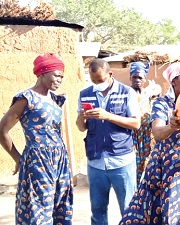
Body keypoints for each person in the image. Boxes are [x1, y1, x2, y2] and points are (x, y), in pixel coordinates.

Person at [119, 62, 180, 225]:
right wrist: (172, 126)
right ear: (174, 82)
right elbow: (157, 132)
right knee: (168, 208)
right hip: (167, 166)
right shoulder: (163, 104)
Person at [0, 53, 73, 224]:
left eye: (62, 76)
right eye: (56, 75)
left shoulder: (56, 100)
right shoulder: (26, 98)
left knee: (62, 205)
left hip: (60, 160)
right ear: (42, 73)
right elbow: (2, 130)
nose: (60, 79)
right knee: (38, 209)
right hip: (37, 161)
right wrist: (18, 158)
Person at [76, 59, 141, 225]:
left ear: (110, 74)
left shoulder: (127, 92)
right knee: (97, 211)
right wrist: (81, 117)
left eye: (101, 80)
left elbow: (136, 123)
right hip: (96, 161)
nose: (97, 84)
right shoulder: (85, 94)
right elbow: (81, 128)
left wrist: (108, 116)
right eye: (93, 81)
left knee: (128, 209)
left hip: (121, 161)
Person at [129, 61, 161, 185]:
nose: (137, 80)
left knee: (147, 164)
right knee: (133, 166)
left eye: (140, 77)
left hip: (147, 136)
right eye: (134, 77)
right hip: (132, 136)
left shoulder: (148, 94)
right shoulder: (127, 93)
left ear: (145, 79)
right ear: (130, 78)